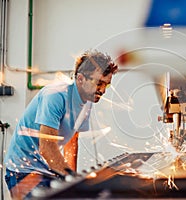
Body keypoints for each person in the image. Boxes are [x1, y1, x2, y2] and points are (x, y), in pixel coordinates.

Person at [4, 49, 118, 199]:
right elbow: (47, 147)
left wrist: (71, 180)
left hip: (48, 168)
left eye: (107, 85)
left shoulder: (87, 101)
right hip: (23, 169)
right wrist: (69, 176)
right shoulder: (55, 95)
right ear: (81, 78)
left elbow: (72, 141)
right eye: (99, 83)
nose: (103, 90)